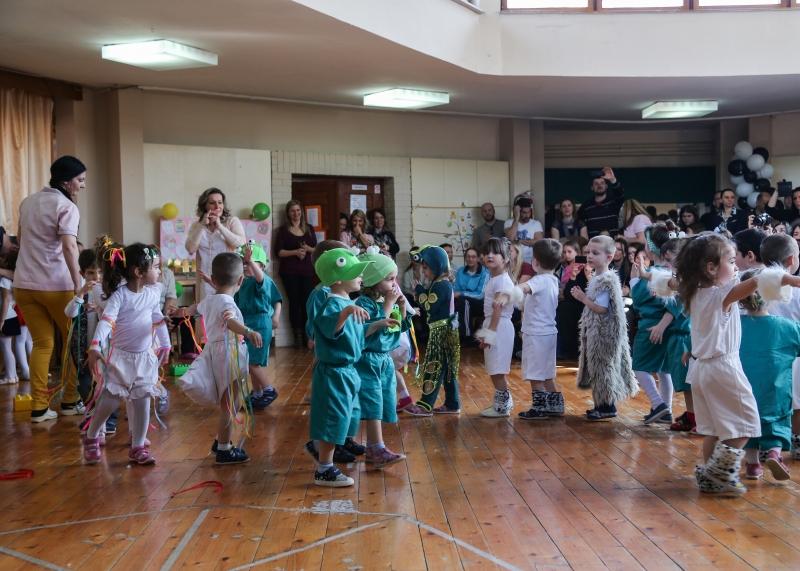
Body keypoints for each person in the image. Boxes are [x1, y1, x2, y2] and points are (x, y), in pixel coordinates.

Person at [644, 233, 789, 493]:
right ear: (711, 268)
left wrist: (649, 276)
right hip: (724, 368)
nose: (736, 268)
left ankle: (710, 480)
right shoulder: (722, 294)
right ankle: (719, 474)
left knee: (713, 430)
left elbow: (671, 282)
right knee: (745, 426)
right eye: (731, 262)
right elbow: (758, 281)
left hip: (701, 370)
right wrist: (792, 279)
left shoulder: (693, 291)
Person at [302, 249, 398, 487]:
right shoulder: (332, 304)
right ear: (337, 280)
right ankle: (324, 469)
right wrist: (346, 312)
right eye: (355, 272)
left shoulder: (347, 303)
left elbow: (357, 332)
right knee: (334, 419)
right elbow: (331, 329)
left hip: (348, 371)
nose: (361, 276)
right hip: (334, 373)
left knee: (346, 417)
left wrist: (377, 324)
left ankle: (320, 449)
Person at [83, 242, 171, 466]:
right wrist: (95, 346)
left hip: (144, 358)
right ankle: (92, 436)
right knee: (109, 401)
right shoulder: (120, 296)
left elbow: (157, 319)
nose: (159, 271)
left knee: (142, 401)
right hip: (121, 359)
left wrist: (166, 345)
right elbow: (106, 321)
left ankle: (137, 446)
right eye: (156, 267)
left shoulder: (152, 293)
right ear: (139, 272)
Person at [14, 156, 85, 422]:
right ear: (66, 181)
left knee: (42, 344)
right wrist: (78, 284)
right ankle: (70, 401)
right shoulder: (66, 206)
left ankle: (40, 407)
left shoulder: (28, 201)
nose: (82, 185)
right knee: (73, 342)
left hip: (23, 284)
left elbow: (20, 239)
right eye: (80, 180)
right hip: (57, 285)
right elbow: (69, 246)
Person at [177, 252, 261, 465]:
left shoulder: (209, 300)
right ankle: (224, 449)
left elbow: (192, 309)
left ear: (213, 279)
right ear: (240, 280)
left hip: (216, 353)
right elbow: (229, 320)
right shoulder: (226, 303)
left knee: (232, 402)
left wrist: (179, 312)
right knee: (230, 405)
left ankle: (220, 441)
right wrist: (247, 330)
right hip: (228, 354)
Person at [351, 250, 411, 467]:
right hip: (368, 360)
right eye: (389, 279)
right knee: (373, 403)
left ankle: (372, 448)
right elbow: (374, 327)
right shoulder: (364, 303)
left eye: (394, 278)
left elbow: (398, 327)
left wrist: (401, 308)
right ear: (373, 280)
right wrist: (388, 304)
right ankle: (377, 448)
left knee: (383, 399)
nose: (394, 284)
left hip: (383, 360)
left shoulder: (387, 300)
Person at [304, 239, 362, 462]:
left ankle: (342, 440)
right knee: (332, 409)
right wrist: (318, 349)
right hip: (330, 357)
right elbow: (320, 326)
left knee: (348, 408)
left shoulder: (345, 298)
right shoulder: (323, 295)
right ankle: (326, 449)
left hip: (345, 363)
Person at [737, 267, 797, 481]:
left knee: (747, 421)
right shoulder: (788, 326)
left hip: (743, 386)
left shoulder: (734, 325)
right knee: (778, 420)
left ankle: (753, 465)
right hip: (776, 387)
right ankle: (774, 453)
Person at [572, 236, 638, 421]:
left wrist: (582, 298)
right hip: (596, 331)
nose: (589, 256)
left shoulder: (606, 281)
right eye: (588, 252)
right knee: (597, 368)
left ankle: (607, 407)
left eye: (595, 253)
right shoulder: (598, 277)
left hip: (604, 333)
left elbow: (601, 309)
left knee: (603, 370)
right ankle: (600, 405)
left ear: (609, 258)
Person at [503, 239, 563, 419]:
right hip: (549, 332)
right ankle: (556, 405)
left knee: (535, 373)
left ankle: (539, 408)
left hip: (536, 333)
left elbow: (524, 287)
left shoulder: (539, 280)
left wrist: (508, 293)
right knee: (547, 373)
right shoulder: (553, 280)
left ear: (535, 261)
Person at [629, 223, 677, 425]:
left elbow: (638, 299)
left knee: (639, 366)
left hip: (650, 325)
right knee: (664, 369)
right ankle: (667, 410)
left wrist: (634, 281)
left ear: (651, 247)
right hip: (669, 326)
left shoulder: (654, 272)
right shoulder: (671, 272)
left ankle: (659, 405)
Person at [404, 246, 460, 416]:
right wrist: (422, 294)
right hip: (447, 331)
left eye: (426, 267)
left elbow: (430, 306)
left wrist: (420, 291)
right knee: (448, 370)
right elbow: (431, 301)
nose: (423, 271)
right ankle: (452, 403)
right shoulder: (441, 283)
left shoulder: (441, 285)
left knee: (433, 367)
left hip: (441, 333)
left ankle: (425, 405)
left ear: (437, 266)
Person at [761, 234, 800, 462]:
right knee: (797, 403)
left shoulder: (754, 283)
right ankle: (797, 443)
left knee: (767, 400)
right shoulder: (797, 288)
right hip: (795, 353)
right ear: (792, 259)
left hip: (764, 352)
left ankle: (764, 445)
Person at [234, 242, 282, 410]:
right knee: (251, 361)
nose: (245, 266)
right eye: (243, 263)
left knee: (251, 362)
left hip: (260, 323)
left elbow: (276, 299)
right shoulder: (241, 283)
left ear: (261, 265)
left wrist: (276, 316)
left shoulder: (262, 280)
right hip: (246, 324)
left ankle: (268, 390)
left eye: (250, 263)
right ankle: (257, 393)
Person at [657, 237, 696, 432]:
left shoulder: (685, 284)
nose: (665, 264)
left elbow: (675, 307)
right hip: (679, 336)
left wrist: (660, 326)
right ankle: (691, 413)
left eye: (669, 260)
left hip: (684, 336)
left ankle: (694, 416)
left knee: (688, 381)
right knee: (683, 379)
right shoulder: (679, 282)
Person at [474, 238, 516, 418]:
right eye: (487, 253)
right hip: (495, 324)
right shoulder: (496, 278)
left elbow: (498, 308)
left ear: (506, 259)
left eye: (495, 253)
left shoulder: (502, 281)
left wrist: (489, 333)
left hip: (499, 326)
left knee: (497, 370)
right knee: (494, 369)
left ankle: (502, 407)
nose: (489, 256)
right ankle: (503, 402)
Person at [185, 188, 247, 303]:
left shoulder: (232, 221)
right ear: (205, 205)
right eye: (212, 203)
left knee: (226, 311)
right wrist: (202, 225)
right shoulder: (196, 225)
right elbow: (190, 248)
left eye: (220, 202)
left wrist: (220, 226)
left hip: (228, 281)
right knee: (206, 312)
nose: (217, 206)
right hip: (205, 282)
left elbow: (242, 245)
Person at [276, 199, 318, 348]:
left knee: (307, 302)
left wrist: (308, 249)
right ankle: (297, 336)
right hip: (289, 271)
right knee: (294, 302)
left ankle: (308, 335)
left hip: (307, 271)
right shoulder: (283, 230)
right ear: (288, 213)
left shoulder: (309, 228)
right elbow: (278, 252)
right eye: (293, 211)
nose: (296, 213)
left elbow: (316, 249)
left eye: (298, 210)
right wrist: (295, 252)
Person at [0, 251, 28, 385]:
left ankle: (10, 375)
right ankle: (13, 375)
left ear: (7, 263)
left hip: (6, 316)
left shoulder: (4, 280)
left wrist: (1, 320)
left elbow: (5, 300)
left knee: (5, 346)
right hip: (12, 315)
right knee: (7, 346)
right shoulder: (16, 279)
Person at [577, 167, 625, 238]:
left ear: (606, 186)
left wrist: (613, 180)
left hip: (612, 242)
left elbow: (620, 194)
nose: (599, 185)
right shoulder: (586, 206)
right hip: (593, 243)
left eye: (602, 183)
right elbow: (577, 221)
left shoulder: (613, 202)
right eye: (596, 183)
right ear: (592, 187)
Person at [453, 247, 488, 341]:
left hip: (480, 304)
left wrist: (462, 293)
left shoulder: (485, 272)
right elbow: (456, 289)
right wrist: (458, 294)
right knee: (453, 300)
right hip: (462, 302)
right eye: (468, 257)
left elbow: (480, 295)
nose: (470, 259)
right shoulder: (460, 271)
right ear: (465, 258)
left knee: (463, 300)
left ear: (478, 259)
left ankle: (467, 336)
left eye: (473, 257)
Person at [504, 196, 543, 264]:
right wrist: (516, 218)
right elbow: (511, 238)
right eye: (524, 213)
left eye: (529, 212)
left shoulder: (536, 223)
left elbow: (539, 243)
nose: (527, 215)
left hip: (531, 261)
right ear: (518, 211)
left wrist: (519, 240)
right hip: (514, 261)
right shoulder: (509, 223)